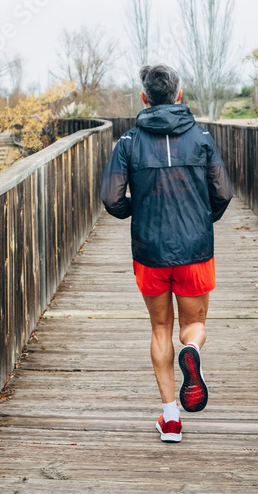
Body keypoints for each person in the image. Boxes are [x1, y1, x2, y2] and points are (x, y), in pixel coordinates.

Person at [100, 64, 233, 443]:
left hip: (150, 252)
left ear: (144, 98)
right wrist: (203, 218)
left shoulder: (128, 142)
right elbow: (223, 192)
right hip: (195, 250)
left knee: (160, 328)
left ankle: (171, 419)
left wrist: (135, 211)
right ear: (178, 95)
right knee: (193, 326)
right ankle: (191, 349)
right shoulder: (202, 138)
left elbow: (111, 197)